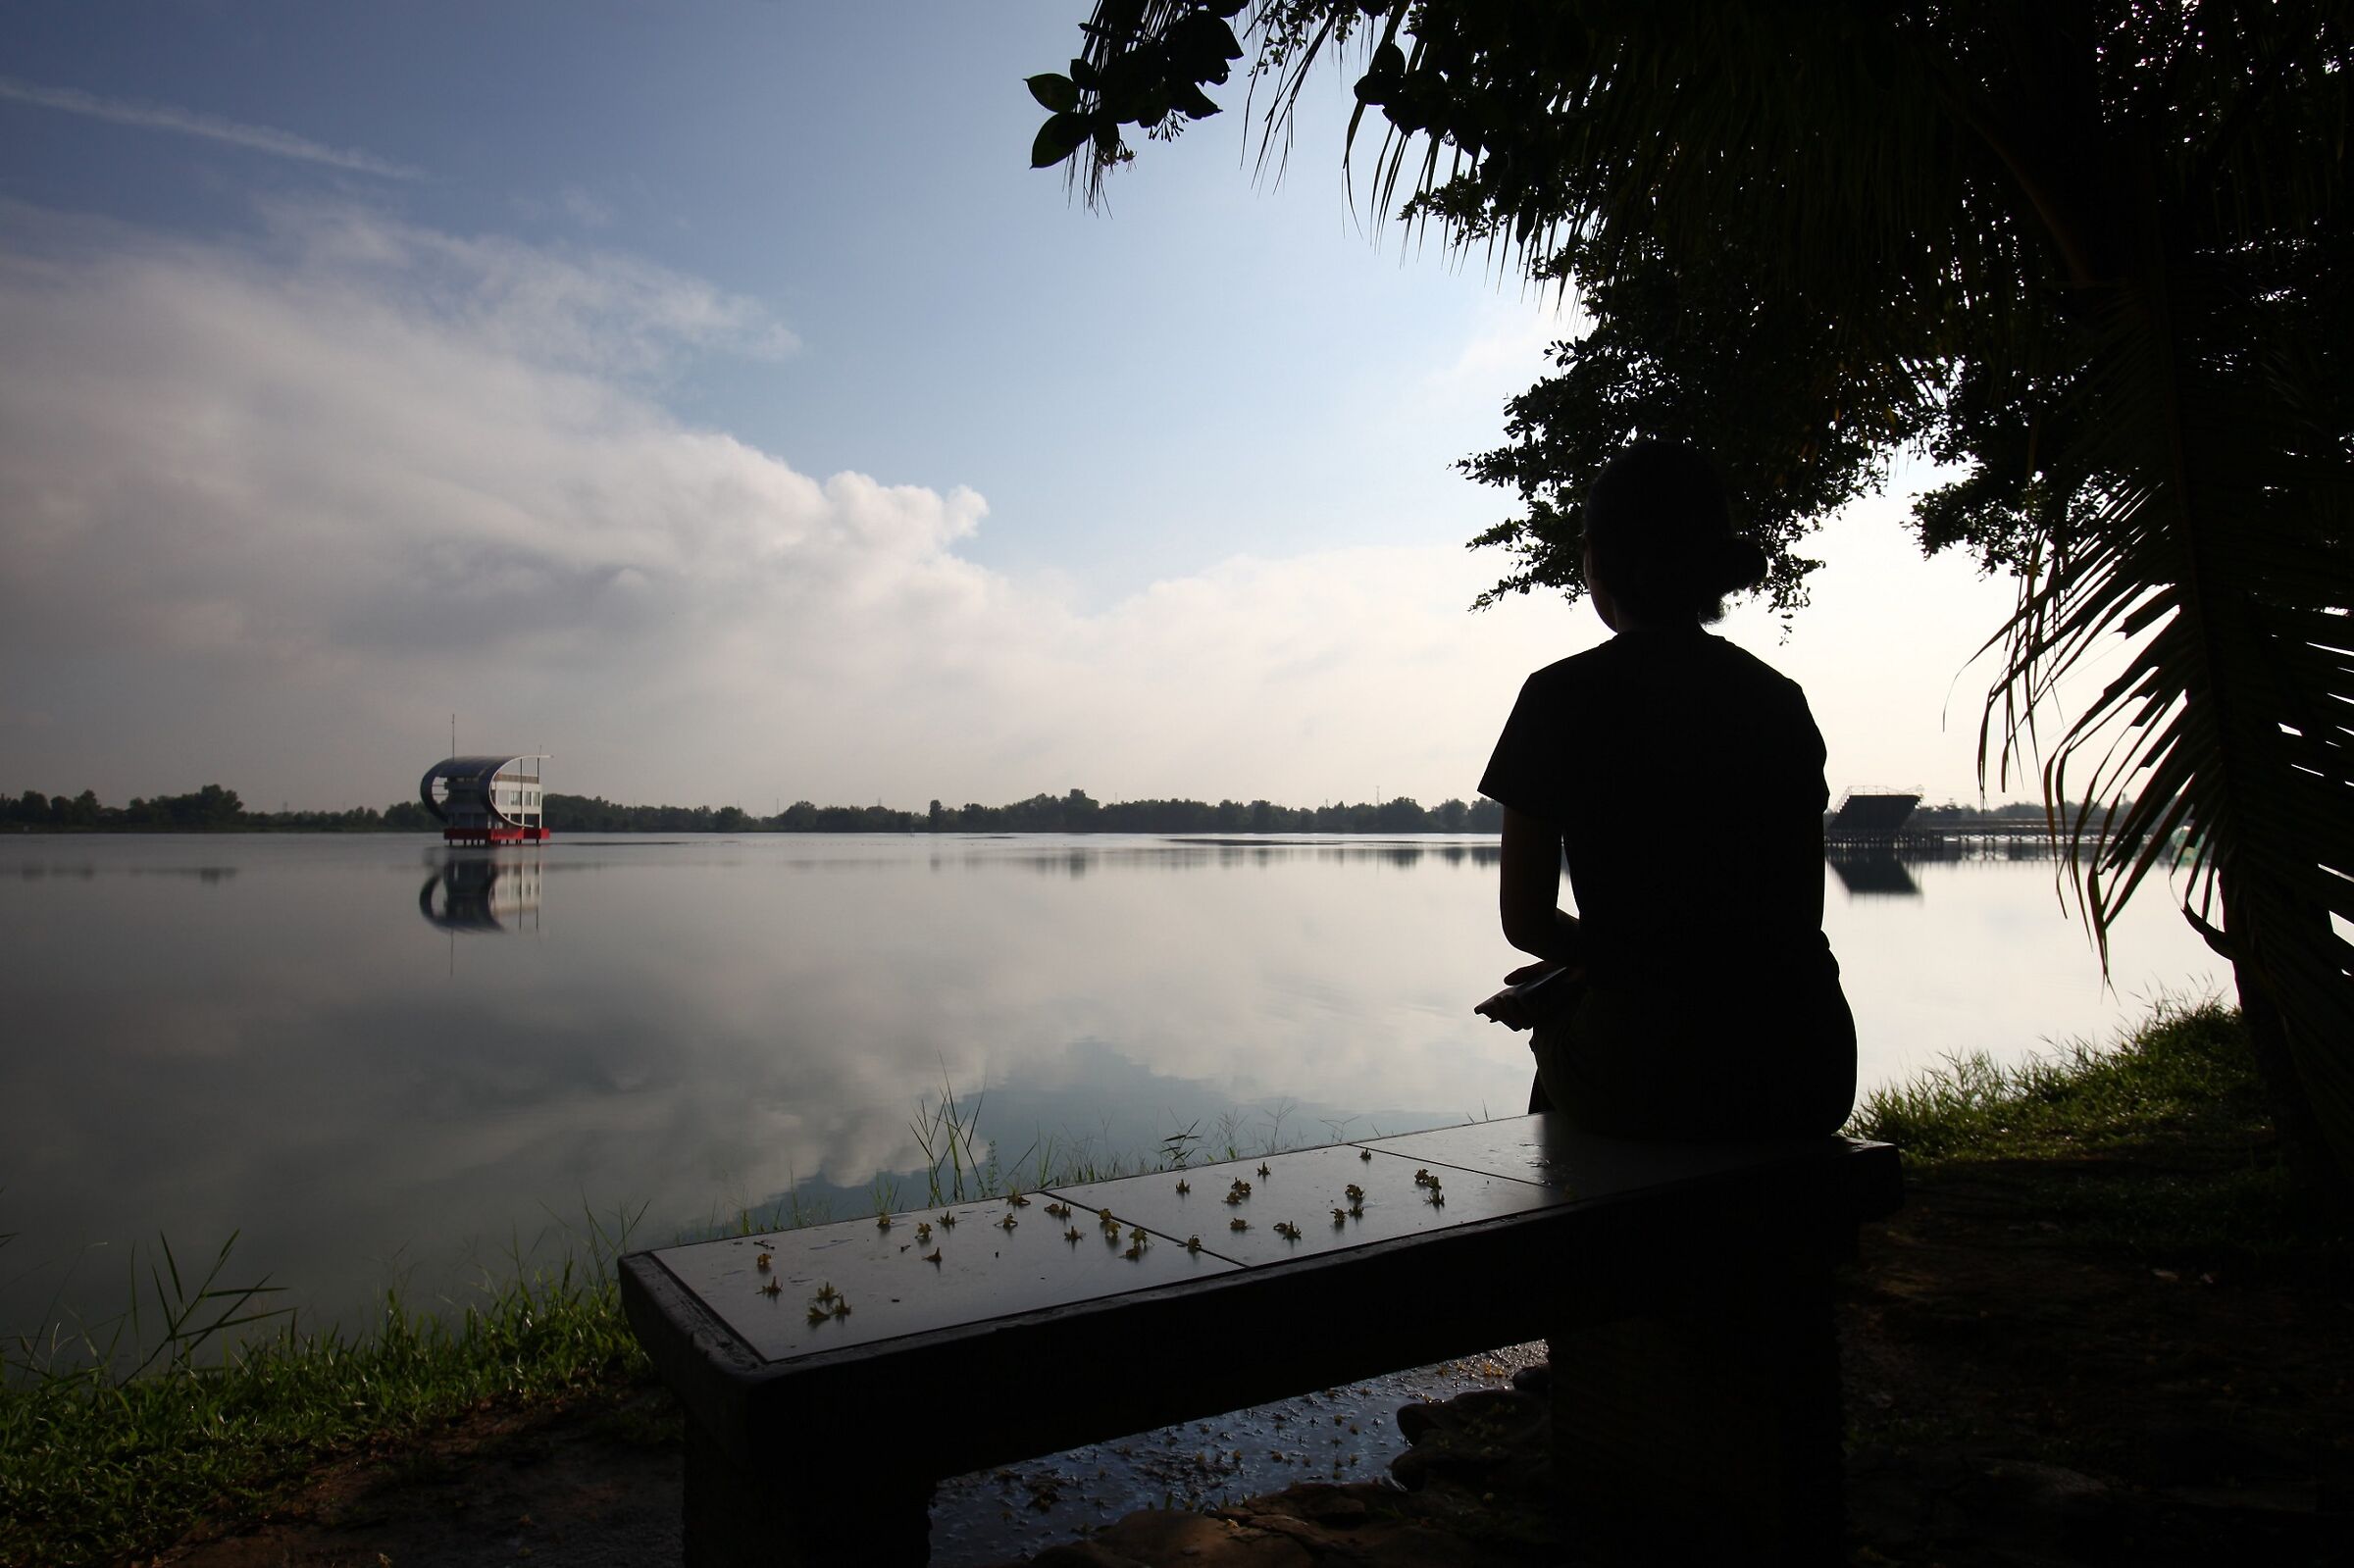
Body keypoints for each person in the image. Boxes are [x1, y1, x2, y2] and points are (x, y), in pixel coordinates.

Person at [1476, 440, 1856, 1138]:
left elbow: (1526, 922)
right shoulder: (1778, 699)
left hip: (1658, 1071)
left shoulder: (1558, 697)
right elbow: (1790, 920)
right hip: (1809, 1064)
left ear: (1596, 558)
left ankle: (1572, 1236)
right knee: (1596, 1012)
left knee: (1572, 1046)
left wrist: (1593, 968)